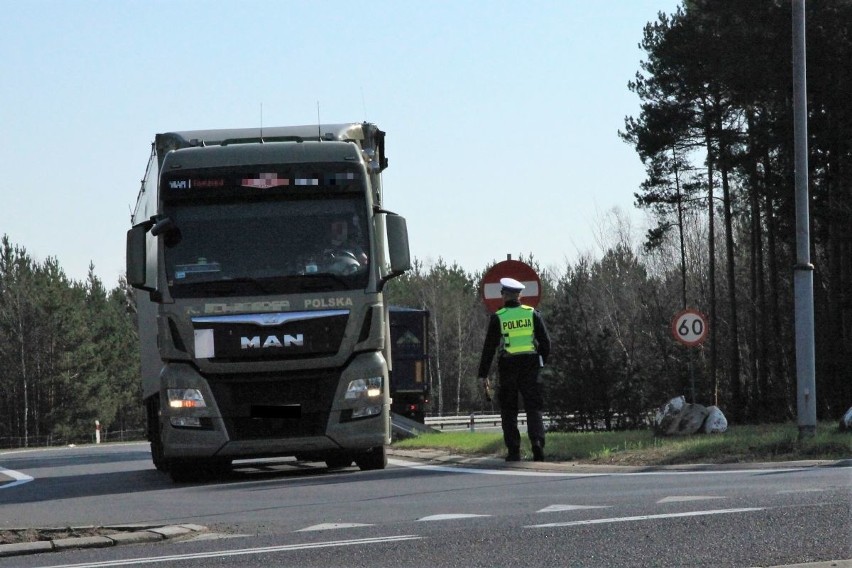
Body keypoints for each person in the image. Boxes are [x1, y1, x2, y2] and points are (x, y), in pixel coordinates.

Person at [477, 277, 551, 462]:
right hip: (530, 365)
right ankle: (537, 443)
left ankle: (514, 450)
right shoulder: (532, 313)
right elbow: (546, 342)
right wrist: (540, 361)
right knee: (534, 408)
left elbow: (489, 348)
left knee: (509, 410)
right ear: (520, 295)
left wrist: (483, 374)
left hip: (508, 366)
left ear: (504, 295)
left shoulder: (499, 317)